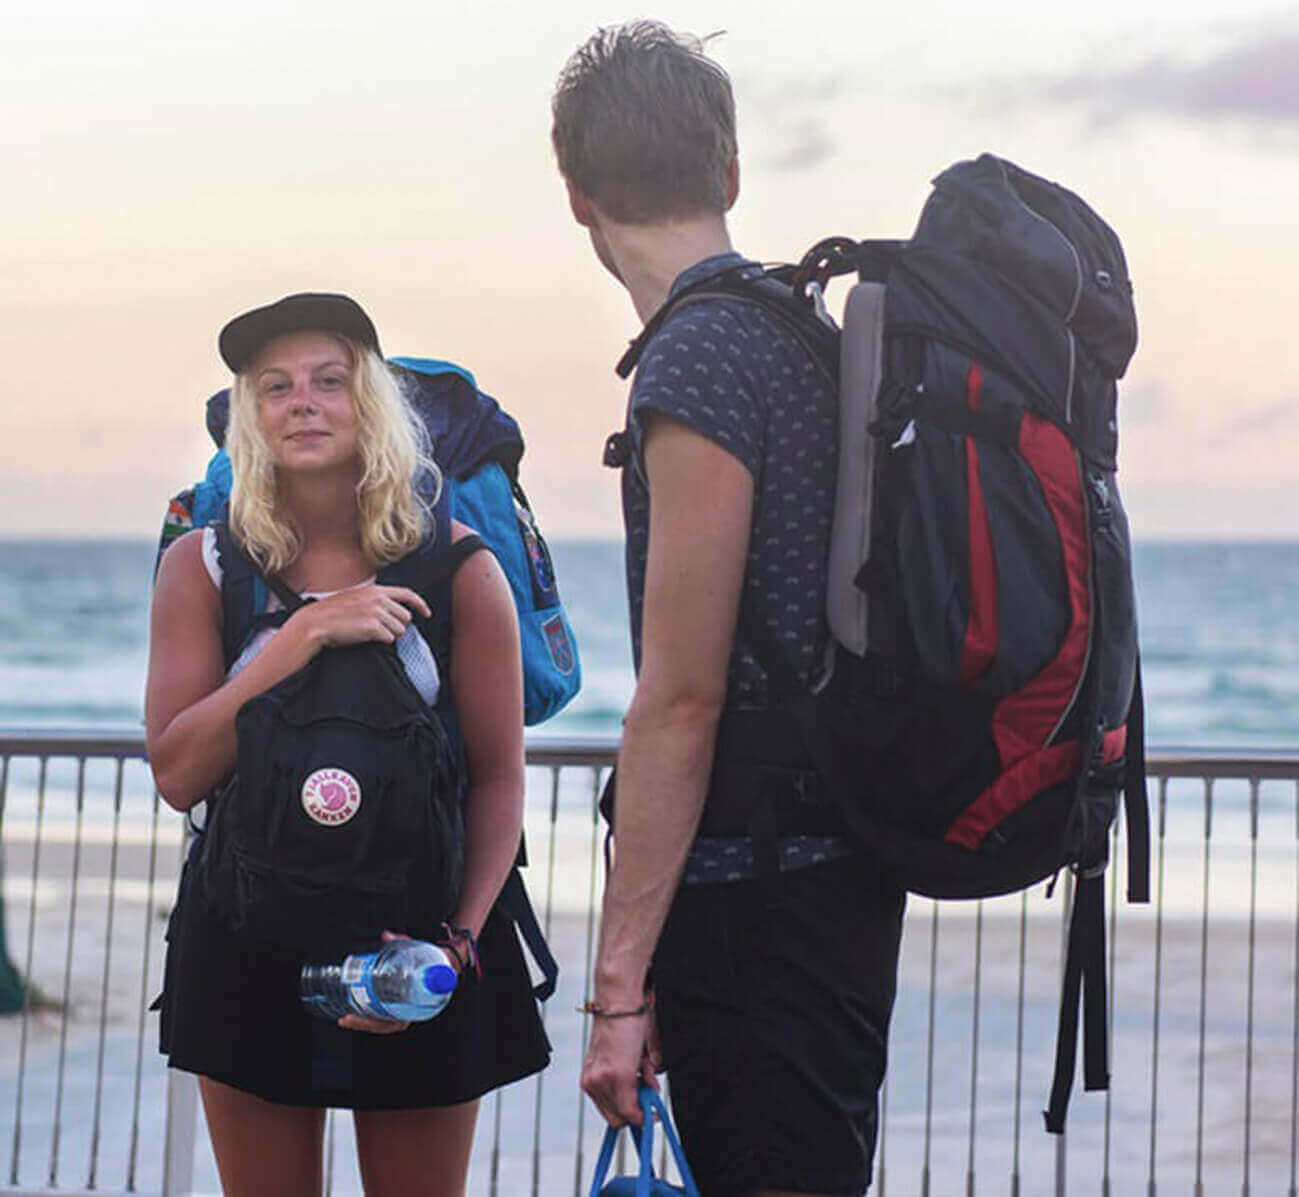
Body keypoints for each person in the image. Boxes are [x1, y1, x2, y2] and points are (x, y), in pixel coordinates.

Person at [552, 23, 906, 1196]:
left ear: (578, 196)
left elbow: (682, 695)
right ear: (733, 174)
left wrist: (617, 992)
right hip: (838, 866)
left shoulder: (696, 361)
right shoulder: (805, 333)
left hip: (756, 897)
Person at [145, 293, 549, 1197]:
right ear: (249, 417)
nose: (303, 402)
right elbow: (177, 770)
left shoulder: (460, 568)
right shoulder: (202, 567)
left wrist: (454, 946)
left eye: (329, 381)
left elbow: (496, 781)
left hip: (416, 946)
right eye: (275, 386)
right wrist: (300, 638)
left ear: (370, 404)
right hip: (245, 937)